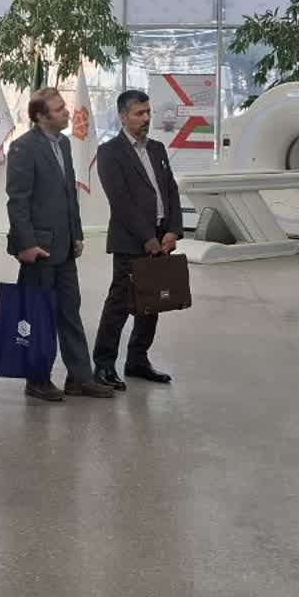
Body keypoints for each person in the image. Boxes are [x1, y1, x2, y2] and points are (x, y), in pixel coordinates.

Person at [4, 87, 116, 402]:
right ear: (41, 116)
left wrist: (77, 233)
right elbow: (17, 202)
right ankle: (37, 379)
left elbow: (69, 194)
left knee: (70, 312)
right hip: (38, 249)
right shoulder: (23, 148)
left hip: (65, 246)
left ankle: (80, 378)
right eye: (58, 109)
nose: (67, 112)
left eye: (64, 106)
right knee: (38, 316)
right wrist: (26, 243)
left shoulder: (64, 144)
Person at [92, 89, 183, 388]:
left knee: (152, 303)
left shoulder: (157, 149)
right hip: (131, 241)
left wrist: (173, 230)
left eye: (148, 113)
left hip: (160, 237)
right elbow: (121, 201)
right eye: (139, 113)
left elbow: (171, 190)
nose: (146, 118)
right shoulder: (109, 152)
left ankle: (137, 360)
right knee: (119, 304)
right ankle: (104, 365)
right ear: (123, 117)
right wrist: (147, 238)